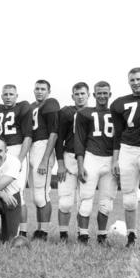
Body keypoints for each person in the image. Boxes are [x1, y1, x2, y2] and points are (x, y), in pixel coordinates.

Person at [110, 67, 140, 248]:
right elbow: (117, 133)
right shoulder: (119, 103)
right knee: (129, 197)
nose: (136, 83)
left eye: (139, 79)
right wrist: (115, 159)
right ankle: (131, 236)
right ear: (128, 81)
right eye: (132, 80)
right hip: (128, 149)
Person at [74, 81, 117, 245]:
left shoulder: (117, 112)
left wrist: (117, 160)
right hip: (91, 157)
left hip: (110, 159)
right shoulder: (85, 113)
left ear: (110, 94)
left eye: (105, 93)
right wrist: (80, 165)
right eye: (99, 93)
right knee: (86, 200)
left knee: (106, 203)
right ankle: (83, 235)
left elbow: (119, 139)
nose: (102, 96)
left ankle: (102, 236)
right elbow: (79, 140)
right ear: (94, 95)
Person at [0, 85, 32, 237]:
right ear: (1, 96)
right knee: (3, 191)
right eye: (6, 94)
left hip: (16, 149)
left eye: (11, 94)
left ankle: (23, 232)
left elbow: (28, 136)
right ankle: (7, 230)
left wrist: (20, 159)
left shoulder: (23, 108)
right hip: (2, 150)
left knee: (18, 193)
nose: (8, 97)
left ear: (16, 96)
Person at [55, 82, 89, 242]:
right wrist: (60, 163)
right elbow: (59, 139)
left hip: (88, 158)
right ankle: (63, 235)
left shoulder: (93, 113)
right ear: (72, 96)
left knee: (85, 201)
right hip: (69, 157)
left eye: (83, 93)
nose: (80, 96)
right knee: (65, 202)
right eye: (77, 94)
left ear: (88, 95)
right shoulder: (67, 112)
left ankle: (83, 234)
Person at [28, 80, 60, 241]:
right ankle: (39, 229)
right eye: (37, 88)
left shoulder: (50, 104)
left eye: (43, 89)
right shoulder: (32, 106)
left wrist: (44, 159)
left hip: (43, 147)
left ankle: (44, 232)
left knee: (42, 195)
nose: (39, 91)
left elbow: (54, 133)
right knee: (35, 195)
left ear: (49, 91)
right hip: (31, 148)